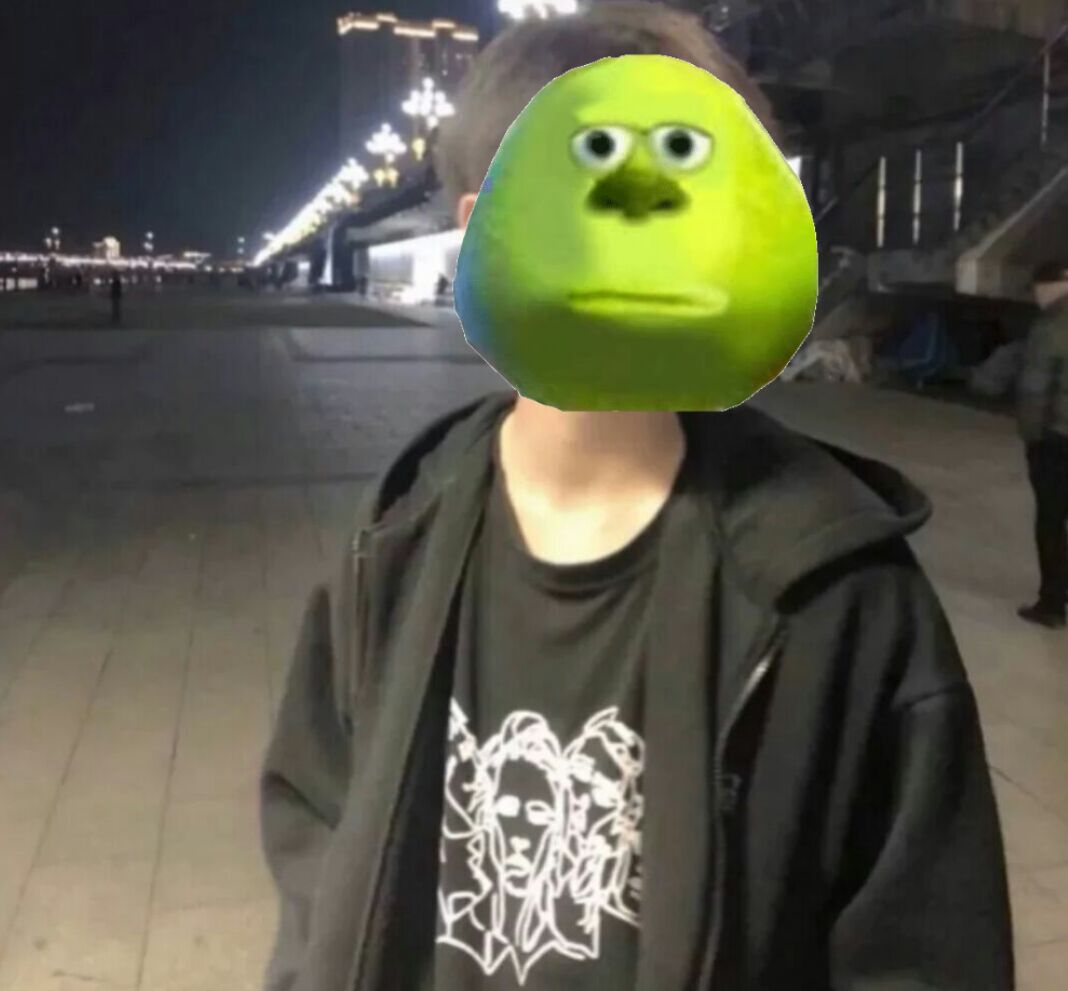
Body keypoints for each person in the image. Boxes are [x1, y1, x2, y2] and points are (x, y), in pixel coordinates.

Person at [259, 4, 1013, 990]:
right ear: (479, 231)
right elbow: (316, 826)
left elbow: (924, 949)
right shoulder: (393, 539)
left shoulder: (842, 594)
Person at [1016, 260, 1068, 629]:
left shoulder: (1051, 325)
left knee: (1051, 519)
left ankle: (1052, 603)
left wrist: (1031, 436)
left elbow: (1035, 388)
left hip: (1057, 440)